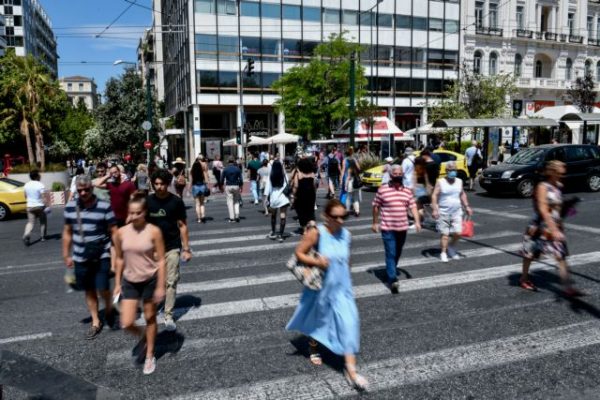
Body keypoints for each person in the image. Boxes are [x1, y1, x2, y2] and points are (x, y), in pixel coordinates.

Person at [286, 199, 368, 392]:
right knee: (320, 320)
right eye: (335, 217)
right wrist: (317, 263)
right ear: (326, 216)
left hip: (342, 289)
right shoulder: (317, 233)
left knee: (349, 324)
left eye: (344, 216)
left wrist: (349, 281)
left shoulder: (347, 235)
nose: (340, 221)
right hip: (321, 288)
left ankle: (351, 371)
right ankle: (313, 346)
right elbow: (299, 253)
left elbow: (347, 260)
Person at [113, 192, 166, 375]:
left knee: (150, 317)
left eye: (138, 213)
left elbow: (161, 261)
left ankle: (150, 354)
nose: (134, 216)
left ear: (145, 212)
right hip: (129, 280)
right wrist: (118, 283)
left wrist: (160, 286)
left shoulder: (154, 231)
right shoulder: (120, 233)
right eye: (131, 213)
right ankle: (144, 336)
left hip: (150, 279)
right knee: (127, 322)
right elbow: (119, 259)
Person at [63, 175, 118, 339]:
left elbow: (114, 231)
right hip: (80, 257)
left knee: (102, 288)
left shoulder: (104, 207)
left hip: (102, 254)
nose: (84, 193)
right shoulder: (71, 208)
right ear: (77, 191)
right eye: (80, 190)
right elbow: (67, 233)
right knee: (89, 291)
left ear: (92, 189)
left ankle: (108, 308)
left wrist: (118, 255)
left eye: (87, 189)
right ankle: (96, 321)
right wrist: (66, 254)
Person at [519, 161, 582, 296]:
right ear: (552, 172)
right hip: (539, 227)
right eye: (560, 172)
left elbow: (557, 209)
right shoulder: (543, 187)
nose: (562, 175)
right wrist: (553, 229)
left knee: (561, 256)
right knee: (530, 254)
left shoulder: (559, 186)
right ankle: (524, 278)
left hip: (554, 226)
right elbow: (543, 209)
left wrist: (561, 224)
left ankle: (567, 287)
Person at [147, 169, 191, 331]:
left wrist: (186, 248)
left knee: (171, 281)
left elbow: (183, 225)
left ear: (167, 184)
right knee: (152, 283)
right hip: (152, 250)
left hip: (172, 246)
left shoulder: (176, 202)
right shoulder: (148, 202)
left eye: (162, 184)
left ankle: (168, 315)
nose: (159, 187)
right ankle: (152, 308)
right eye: (156, 184)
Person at [372, 165, 421, 294]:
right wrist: (375, 222)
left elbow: (413, 206)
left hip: (402, 228)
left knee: (397, 252)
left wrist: (417, 221)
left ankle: (391, 268)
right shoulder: (383, 190)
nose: (398, 175)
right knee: (391, 253)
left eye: (400, 173)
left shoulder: (407, 191)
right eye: (395, 173)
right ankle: (392, 279)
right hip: (388, 228)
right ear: (390, 174)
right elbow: (376, 206)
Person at [431, 161, 473, 262]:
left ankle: (451, 246)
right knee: (445, 234)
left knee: (458, 232)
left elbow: (462, 194)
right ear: (446, 171)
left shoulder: (459, 181)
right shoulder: (440, 182)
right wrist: (435, 209)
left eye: (454, 169)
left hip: (457, 211)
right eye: (450, 170)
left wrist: (467, 206)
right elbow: (434, 195)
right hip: (443, 212)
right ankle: (443, 252)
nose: (452, 171)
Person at [265, 160, 290, 242]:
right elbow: (287, 185)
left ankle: (273, 232)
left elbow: (268, 189)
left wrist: (266, 199)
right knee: (283, 216)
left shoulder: (271, 175)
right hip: (283, 198)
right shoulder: (284, 175)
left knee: (273, 216)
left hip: (274, 199)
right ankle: (281, 235)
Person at [22, 170, 49, 245]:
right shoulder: (40, 185)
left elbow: (25, 196)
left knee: (30, 222)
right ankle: (43, 237)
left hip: (30, 206)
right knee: (43, 221)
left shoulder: (26, 185)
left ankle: (26, 234)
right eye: (39, 175)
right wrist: (47, 205)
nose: (40, 176)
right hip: (39, 206)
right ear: (37, 176)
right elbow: (43, 197)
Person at [293, 157, 316, 233]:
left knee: (301, 212)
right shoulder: (312, 174)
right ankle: (313, 225)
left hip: (301, 195)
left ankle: (305, 229)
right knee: (310, 211)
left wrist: (293, 195)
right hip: (311, 195)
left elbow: (296, 186)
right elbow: (314, 185)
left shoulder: (299, 174)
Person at [220, 157, 244, 223]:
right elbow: (241, 179)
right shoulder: (237, 169)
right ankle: (237, 215)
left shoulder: (225, 169)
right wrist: (241, 187)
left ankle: (231, 217)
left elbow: (221, 179)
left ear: (228, 161)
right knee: (236, 201)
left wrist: (221, 186)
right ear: (233, 161)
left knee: (230, 202)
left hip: (228, 185)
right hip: (236, 185)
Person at [190, 155, 210, 223]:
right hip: (202, 186)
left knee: (197, 204)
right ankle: (203, 216)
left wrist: (189, 187)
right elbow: (206, 180)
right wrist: (207, 184)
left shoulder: (192, 170)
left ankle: (199, 219)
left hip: (195, 186)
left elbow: (191, 180)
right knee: (202, 203)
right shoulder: (203, 169)